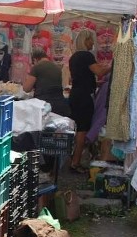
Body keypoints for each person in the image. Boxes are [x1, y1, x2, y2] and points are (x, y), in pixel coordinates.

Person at [68, 30, 111, 173]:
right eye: (91, 40)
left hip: (76, 95)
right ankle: (75, 163)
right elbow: (99, 72)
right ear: (85, 41)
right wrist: (114, 64)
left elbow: (83, 77)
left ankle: (73, 159)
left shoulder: (74, 57)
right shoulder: (86, 56)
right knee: (82, 130)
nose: (93, 43)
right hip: (83, 97)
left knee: (78, 128)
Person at [22, 48, 70, 117]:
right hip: (59, 104)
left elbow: (26, 88)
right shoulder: (57, 68)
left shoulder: (37, 67)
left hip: (43, 104)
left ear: (35, 59)